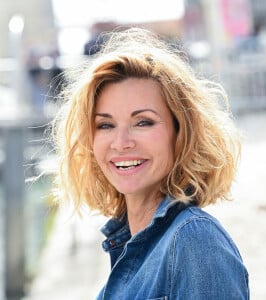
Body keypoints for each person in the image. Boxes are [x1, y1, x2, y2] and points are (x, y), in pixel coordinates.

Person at [52, 28, 249, 299]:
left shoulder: (194, 240)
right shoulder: (130, 244)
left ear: (181, 133)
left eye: (142, 122)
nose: (120, 142)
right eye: (106, 124)